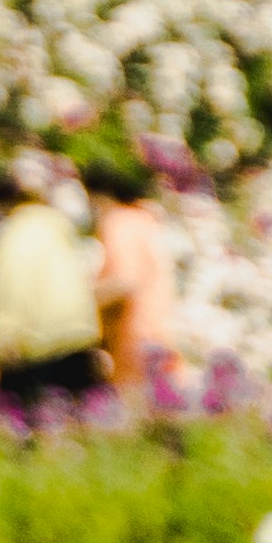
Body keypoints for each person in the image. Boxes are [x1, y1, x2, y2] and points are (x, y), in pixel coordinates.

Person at [0, 164, 106, 421]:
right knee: (80, 420)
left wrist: (5, 340)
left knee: (34, 421)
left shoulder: (12, 234)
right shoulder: (57, 227)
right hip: (78, 333)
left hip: (40, 340)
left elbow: (11, 287)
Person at [87, 155, 182, 409]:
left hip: (133, 339)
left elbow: (124, 281)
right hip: (158, 334)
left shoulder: (118, 222)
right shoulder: (146, 220)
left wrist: (77, 303)